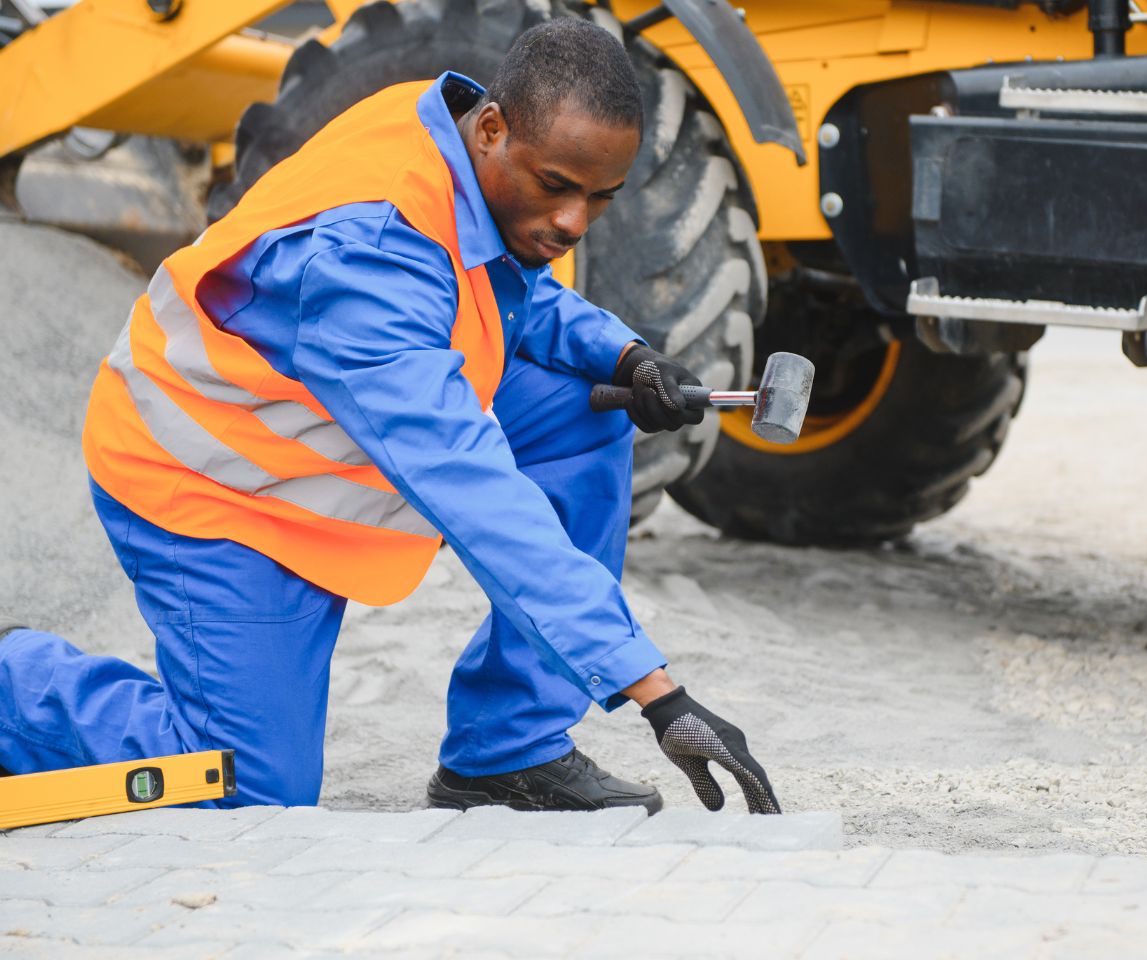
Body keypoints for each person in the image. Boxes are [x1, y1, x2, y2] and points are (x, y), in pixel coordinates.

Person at [0, 19, 779, 816]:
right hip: (217, 478)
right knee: (253, 789)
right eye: (556, 186)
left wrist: (623, 357)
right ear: (492, 129)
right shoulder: (371, 253)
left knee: (579, 417)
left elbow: (505, 288)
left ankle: (508, 750)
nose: (575, 222)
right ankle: (16, 686)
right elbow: (475, 490)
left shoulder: (456, 143)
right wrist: (654, 692)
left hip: (327, 427)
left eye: (599, 198)